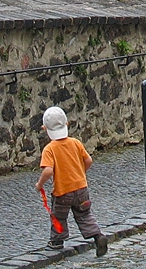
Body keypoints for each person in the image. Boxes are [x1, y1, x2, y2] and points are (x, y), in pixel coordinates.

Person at [35, 106, 109, 256]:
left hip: (63, 192)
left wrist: (40, 184)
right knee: (84, 215)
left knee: (59, 216)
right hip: (81, 188)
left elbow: (48, 170)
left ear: (44, 129)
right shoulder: (75, 143)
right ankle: (97, 236)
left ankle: (57, 241)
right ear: (67, 124)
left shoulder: (50, 149)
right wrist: (80, 173)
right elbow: (88, 160)